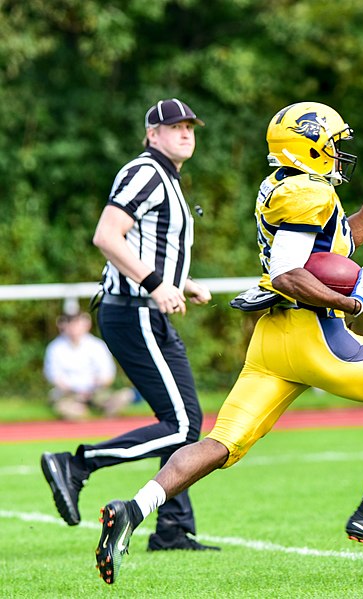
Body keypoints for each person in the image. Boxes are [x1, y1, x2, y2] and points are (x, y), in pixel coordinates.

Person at [93, 101, 363, 585]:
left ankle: (132, 509)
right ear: (310, 144)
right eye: (334, 143)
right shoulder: (306, 192)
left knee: (221, 442)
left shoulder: (288, 184)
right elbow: (288, 273)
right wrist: (354, 303)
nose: (340, 152)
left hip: (272, 341)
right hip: (315, 336)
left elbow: (336, 248)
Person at [41, 98, 219, 553]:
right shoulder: (145, 171)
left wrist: (183, 283)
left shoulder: (168, 179)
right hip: (133, 308)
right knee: (180, 425)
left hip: (146, 307)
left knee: (186, 422)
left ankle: (173, 529)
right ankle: (78, 465)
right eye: (174, 126)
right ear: (151, 133)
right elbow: (107, 234)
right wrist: (158, 284)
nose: (185, 134)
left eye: (190, 128)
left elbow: (146, 246)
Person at [43, 310, 135, 420]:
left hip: (95, 391)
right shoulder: (55, 348)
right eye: (71, 324)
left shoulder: (97, 346)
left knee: (124, 395)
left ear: (86, 325)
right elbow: (54, 375)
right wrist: (75, 390)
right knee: (64, 405)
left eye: (77, 324)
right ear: (64, 326)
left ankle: (103, 408)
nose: (74, 329)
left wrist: (93, 387)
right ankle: (81, 410)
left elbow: (107, 374)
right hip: (69, 393)